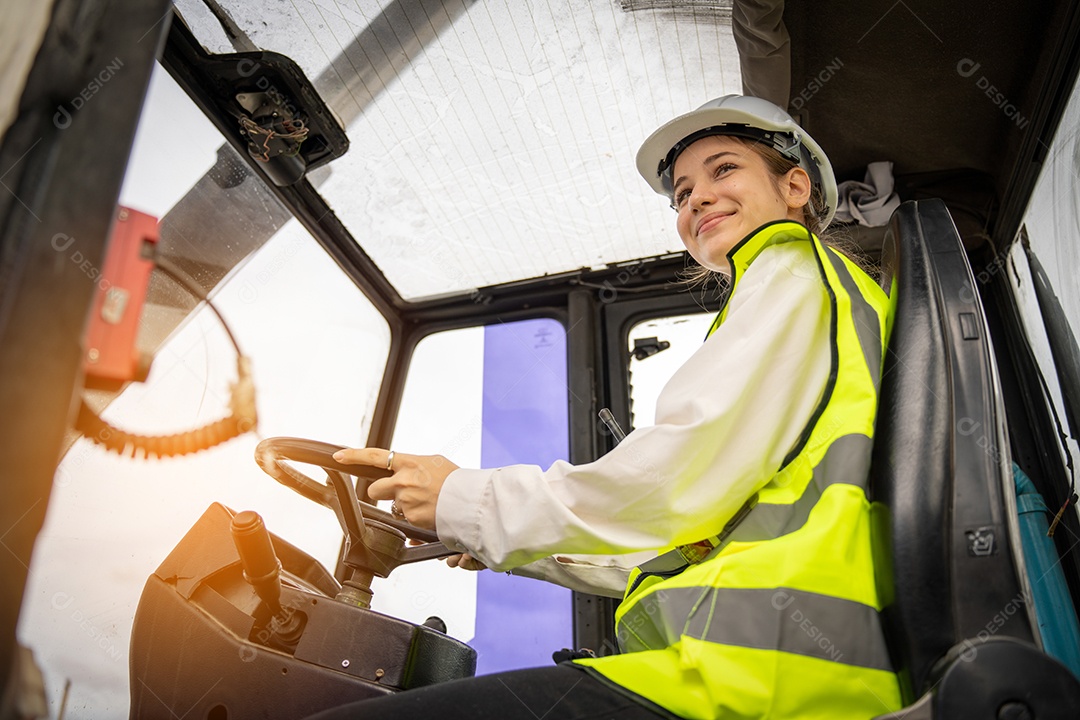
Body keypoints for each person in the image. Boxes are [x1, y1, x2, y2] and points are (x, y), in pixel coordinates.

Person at [314, 95, 903, 720]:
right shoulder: (801, 290)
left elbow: (678, 476)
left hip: (762, 680)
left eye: (723, 170)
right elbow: (691, 536)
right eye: (680, 193)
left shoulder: (792, 273)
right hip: (764, 671)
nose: (696, 198)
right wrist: (506, 542)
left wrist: (467, 499)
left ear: (794, 186)